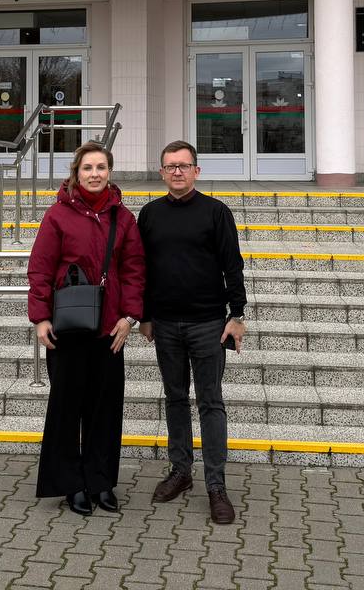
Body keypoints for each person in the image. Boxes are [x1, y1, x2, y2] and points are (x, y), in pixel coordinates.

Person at [27, 141, 146, 516]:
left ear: (110, 172)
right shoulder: (57, 216)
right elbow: (41, 269)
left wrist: (130, 317)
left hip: (110, 330)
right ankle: (71, 483)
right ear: (76, 174)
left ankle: (101, 481)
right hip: (67, 328)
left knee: (105, 409)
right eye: (87, 168)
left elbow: (134, 270)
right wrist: (40, 317)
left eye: (101, 167)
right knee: (66, 408)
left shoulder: (123, 218)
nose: (95, 174)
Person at [138, 139, 247, 525]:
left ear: (196, 171)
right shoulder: (149, 214)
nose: (177, 172)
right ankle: (180, 472)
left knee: (210, 402)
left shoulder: (216, 212)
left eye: (184, 165)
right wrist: (144, 316)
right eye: (170, 166)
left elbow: (232, 265)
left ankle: (216, 485)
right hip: (165, 324)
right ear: (161, 172)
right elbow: (141, 268)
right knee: (175, 398)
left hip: (208, 325)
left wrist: (237, 314)